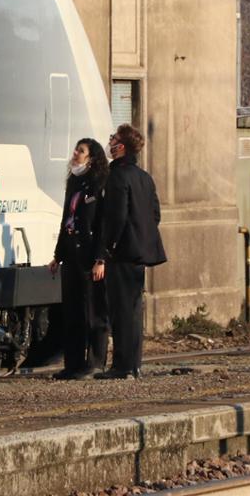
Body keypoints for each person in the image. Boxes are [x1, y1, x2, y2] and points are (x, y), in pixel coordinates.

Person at [94, 124, 167, 379]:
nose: (110, 142)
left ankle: (122, 365)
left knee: (121, 310)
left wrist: (106, 249)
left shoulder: (117, 176)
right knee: (134, 310)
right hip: (140, 252)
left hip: (122, 253)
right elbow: (155, 213)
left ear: (121, 147)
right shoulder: (144, 177)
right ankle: (134, 364)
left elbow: (115, 217)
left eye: (113, 138)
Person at [49, 138, 110, 380]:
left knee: (93, 310)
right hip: (72, 253)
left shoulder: (99, 184)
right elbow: (67, 219)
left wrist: (100, 258)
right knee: (72, 310)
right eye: (76, 149)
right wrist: (58, 255)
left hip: (89, 254)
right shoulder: (74, 182)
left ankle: (95, 362)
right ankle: (72, 363)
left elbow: (103, 224)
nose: (75, 153)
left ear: (92, 157)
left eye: (81, 151)